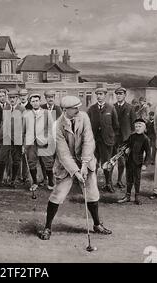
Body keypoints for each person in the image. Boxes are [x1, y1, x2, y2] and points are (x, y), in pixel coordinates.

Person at [38, 96, 112, 240]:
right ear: (65, 110)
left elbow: (89, 141)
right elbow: (63, 153)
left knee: (92, 194)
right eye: (75, 108)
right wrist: (76, 172)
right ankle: (47, 227)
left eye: (79, 107)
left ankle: (97, 224)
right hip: (66, 165)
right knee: (57, 195)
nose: (78, 110)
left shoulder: (83, 117)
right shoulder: (57, 125)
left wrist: (84, 164)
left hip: (87, 161)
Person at [87, 88, 120, 193]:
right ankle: (92, 184)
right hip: (94, 141)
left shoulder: (111, 108)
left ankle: (108, 184)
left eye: (101, 94)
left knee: (107, 163)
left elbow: (116, 126)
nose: (99, 96)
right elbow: (87, 125)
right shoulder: (91, 109)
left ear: (105, 95)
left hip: (107, 141)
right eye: (97, 94)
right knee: (93, 164)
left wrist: (111, 137)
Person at [24, 93, 55, 191]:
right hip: (31, 142)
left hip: (44, 142)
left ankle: (50, 182)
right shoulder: (26, 114)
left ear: (40, 101)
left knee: (48, 163)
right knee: (31, 162)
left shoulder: (46, 113)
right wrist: (23, 144)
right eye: (33, 101)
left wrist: (49, 141)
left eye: (37, 101)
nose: (35, 103)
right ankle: (34, 183)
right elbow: (24, 130)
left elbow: (51, 129)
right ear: (30, 102)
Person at [117, 118, 151, 205]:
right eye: (136, 126)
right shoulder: (132, 136)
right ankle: (127, 196)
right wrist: (123, 147)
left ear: (144, 127)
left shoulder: (145, 139)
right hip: (129, 161)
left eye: (140, 126)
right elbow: (126, 143)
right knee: (129, 179)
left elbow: (148, 153)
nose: (138, 128)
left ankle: (137, 197)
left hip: (138, 163)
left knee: (137, 179)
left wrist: (145, 164)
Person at [0, 89, 25, 187]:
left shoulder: (22, 109)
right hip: (6, 138)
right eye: (10, 98)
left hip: (17, 139)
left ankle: (13, 180)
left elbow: (25, 126)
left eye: (14, 98)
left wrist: (24, 141)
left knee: (16, 160)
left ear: (17, 98)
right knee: (1, 159)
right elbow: (3, 123)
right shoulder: (6, 108)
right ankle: (0, 181)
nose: (12, 100)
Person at [113, 87, 136, 189]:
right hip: (113, 139)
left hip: (125, 139)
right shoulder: (112, 107)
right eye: (117, 94)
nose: (119, 95)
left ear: (125, 95)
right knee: (112, 160)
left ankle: (119, 180)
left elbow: (134, 125)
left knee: (122, 161)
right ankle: (109, 182)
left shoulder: (130, 108)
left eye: (121, 94)